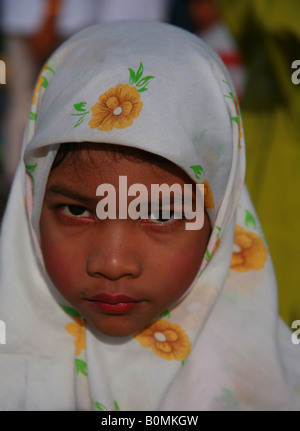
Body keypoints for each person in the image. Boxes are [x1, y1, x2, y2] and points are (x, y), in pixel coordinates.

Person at [0, 21, 299, 411]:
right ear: (32, 200)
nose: (112, 262)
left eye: (160, 214)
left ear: (220, 217)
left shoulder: (271, 388)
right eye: (76, 210)